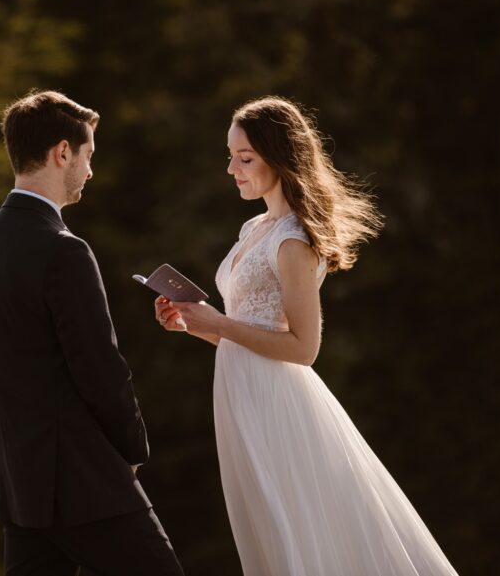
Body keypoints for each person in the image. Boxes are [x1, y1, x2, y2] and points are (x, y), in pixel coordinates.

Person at [155, 97, 458, 575]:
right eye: (231, 155)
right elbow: (250, 335)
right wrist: (196, 325)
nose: (231, 168)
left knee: (292, 530)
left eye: (245, 158)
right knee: (267, 532)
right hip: (241, 394)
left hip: (278, 405)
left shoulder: (291, 238)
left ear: (279, 158)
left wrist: (219, 323)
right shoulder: (255, 227)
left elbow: (303, 348)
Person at [0, 90, 183, 576]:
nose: (90, 171)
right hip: (81, 482)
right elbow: (100, 366)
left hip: (19, 481)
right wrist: (131, 449)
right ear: (63, 152)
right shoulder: (64, 250)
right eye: (88, 156)